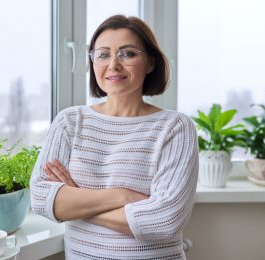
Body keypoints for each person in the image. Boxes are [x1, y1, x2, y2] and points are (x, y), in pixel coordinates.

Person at [30, 15, 198, 260]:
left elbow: (164, 220)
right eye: (103, 54)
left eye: (127, 54)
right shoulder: (69, 122)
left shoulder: (175, 127)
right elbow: (40, 198)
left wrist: (75, 201)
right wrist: (122, 196)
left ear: (150, 62)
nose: (114, 65)